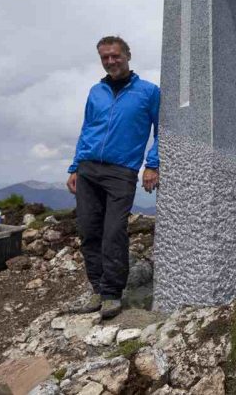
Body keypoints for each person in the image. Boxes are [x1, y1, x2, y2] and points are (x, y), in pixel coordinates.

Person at [66, 35, 161, 319]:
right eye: (105, 57)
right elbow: (87, 129)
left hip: (122, 171)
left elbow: (163, 130)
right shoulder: (96, 91)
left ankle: (111, 294)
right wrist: (75, 166)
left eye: (115, 56)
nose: (110, 61)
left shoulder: (148, 92)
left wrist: (152, 164)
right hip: (88, 169)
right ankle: (97, 290)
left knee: (113, 232)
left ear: (128, 56)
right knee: (88, 231)